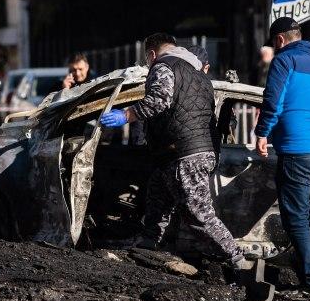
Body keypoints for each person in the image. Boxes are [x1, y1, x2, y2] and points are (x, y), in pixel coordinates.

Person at [98, 33, 247, 270]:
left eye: (148, 60)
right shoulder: (199, 75)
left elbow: (160, 100)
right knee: (157, 197)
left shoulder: (164, 66)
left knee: (198, 213)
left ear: (151, 54)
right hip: (185, 152)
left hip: (184, 153)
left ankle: (237, 259)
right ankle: (147, 245)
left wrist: (126, 115)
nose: (149, 65)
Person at [253, 17, 310, 297]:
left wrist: (262, 133)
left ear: (279, 40)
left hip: (295, 150)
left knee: (296, 218)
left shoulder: (284, 62)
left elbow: (274, 101)